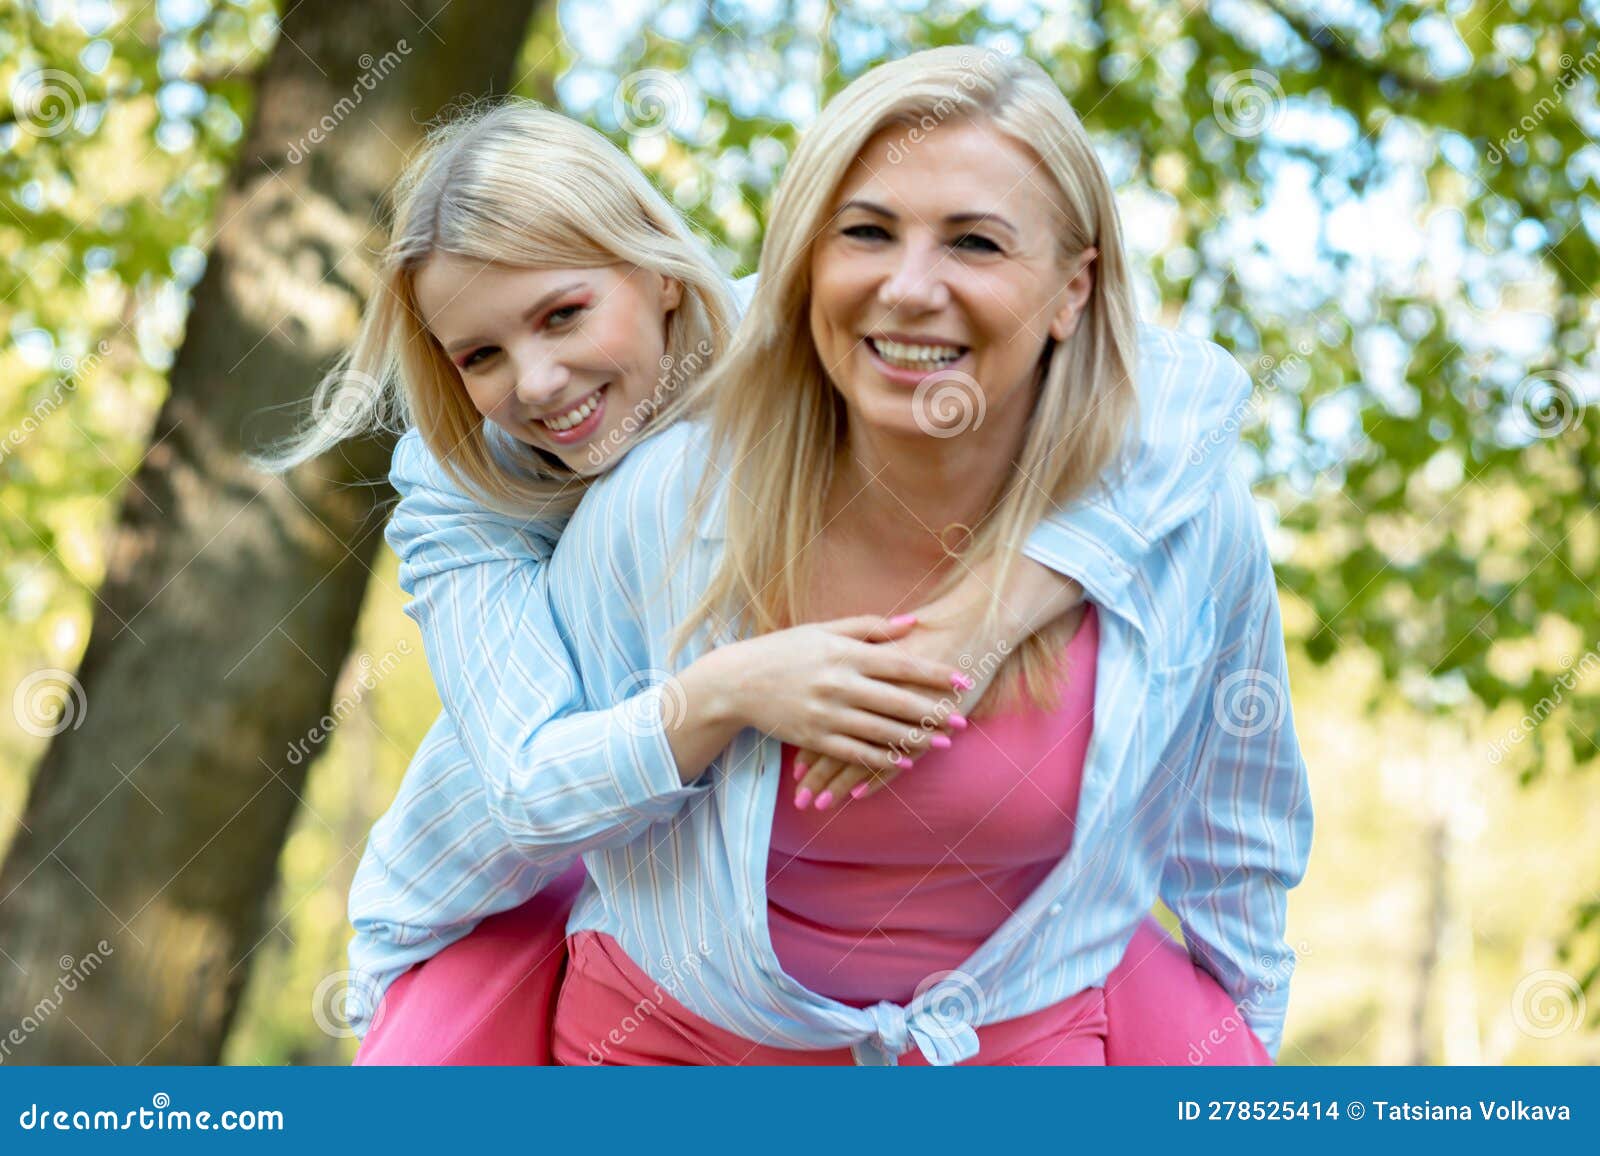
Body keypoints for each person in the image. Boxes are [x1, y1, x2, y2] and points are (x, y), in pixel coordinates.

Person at [518, 45, 1312, 1065]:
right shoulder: (666, 502)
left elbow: (1236, 834)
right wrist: (707, 701)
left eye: (975, 243)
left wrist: (1249, 1051)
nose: (907, 287)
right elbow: (513, 796)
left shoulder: (1187, 530)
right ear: (807, 257)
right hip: (673, 1053)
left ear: (1073, 289)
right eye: (866, 232)